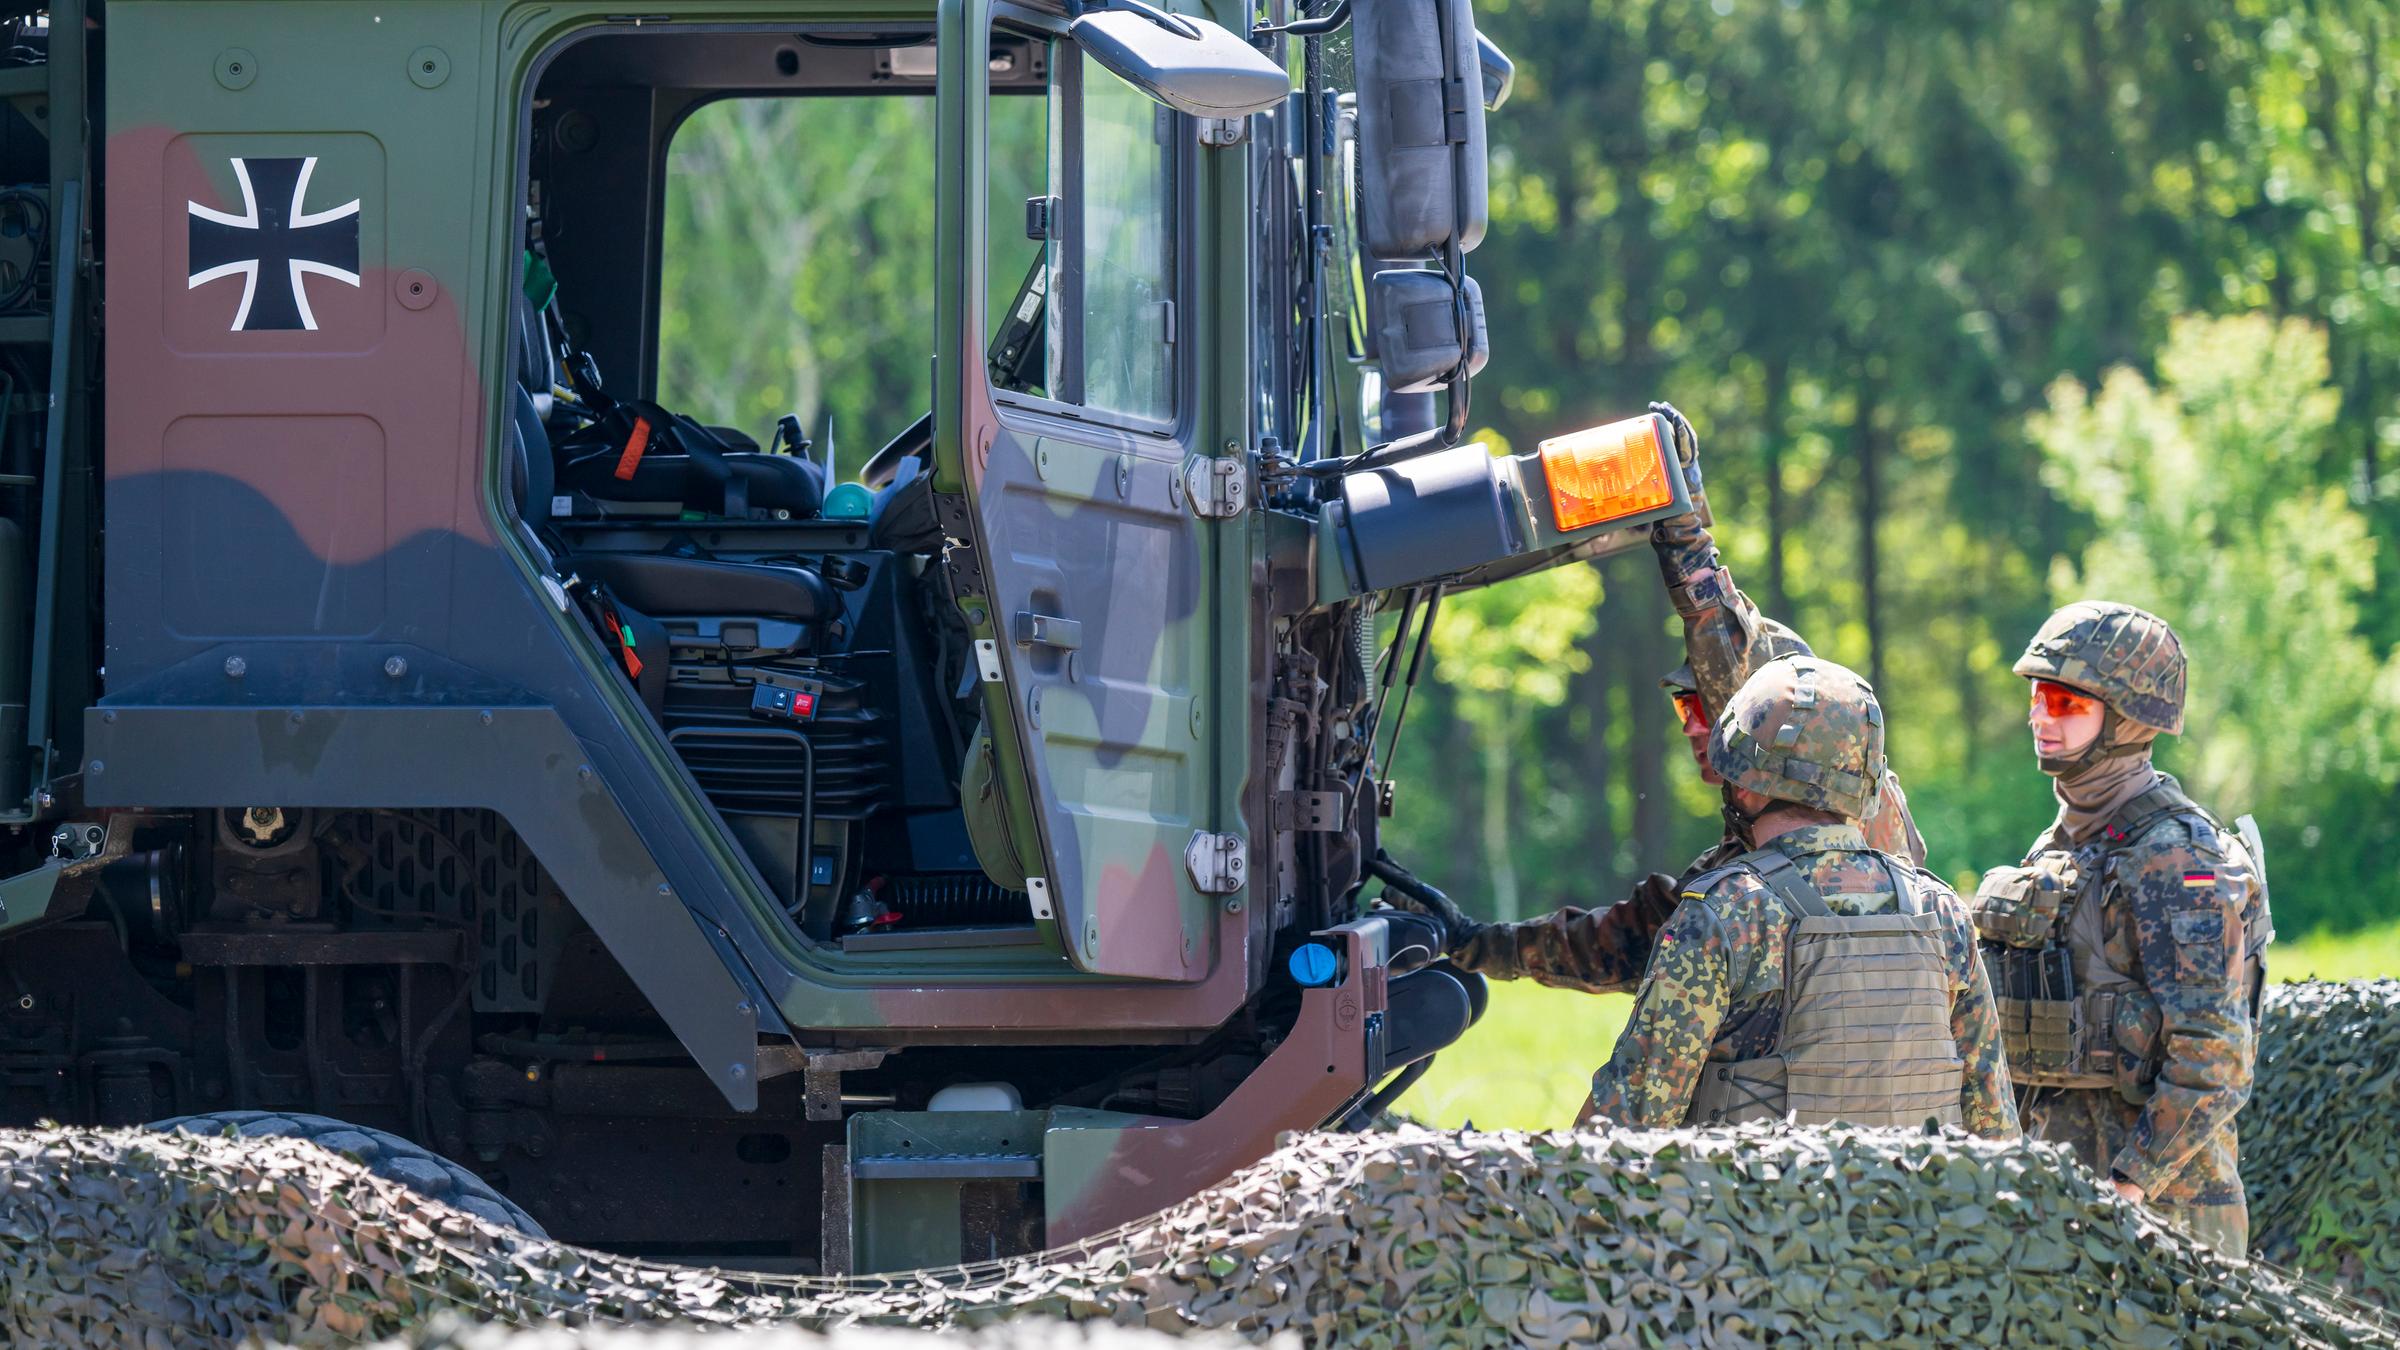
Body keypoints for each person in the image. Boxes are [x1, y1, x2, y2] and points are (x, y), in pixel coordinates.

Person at [1425, 412, 1923, 995]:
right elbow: (1618, 944)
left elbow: (1734, 653)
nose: (1697, 729)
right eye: (1686, 709)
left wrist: (1683, 529)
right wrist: (1469, 941)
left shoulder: (1861, 841)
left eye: (1712, 709)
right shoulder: (1741, 877)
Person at [1584, 656, 2017, 1138]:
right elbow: (1995, 1129)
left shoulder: (1726, 913)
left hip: (1758, 1212)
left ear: (1744, 785)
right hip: (1913, 1212)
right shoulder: (1941, 913)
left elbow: (1626, 1127)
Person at [1972, 601, 2271, 1256]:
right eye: (2037, 696)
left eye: (2066, 703)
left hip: (2163, 1222)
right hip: (2063, 1200)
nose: (2040, 716)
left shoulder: (2178, 855)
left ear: (2130, 717)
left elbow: (2216, 1053)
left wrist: (2131, 1183)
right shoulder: (2061, 846)